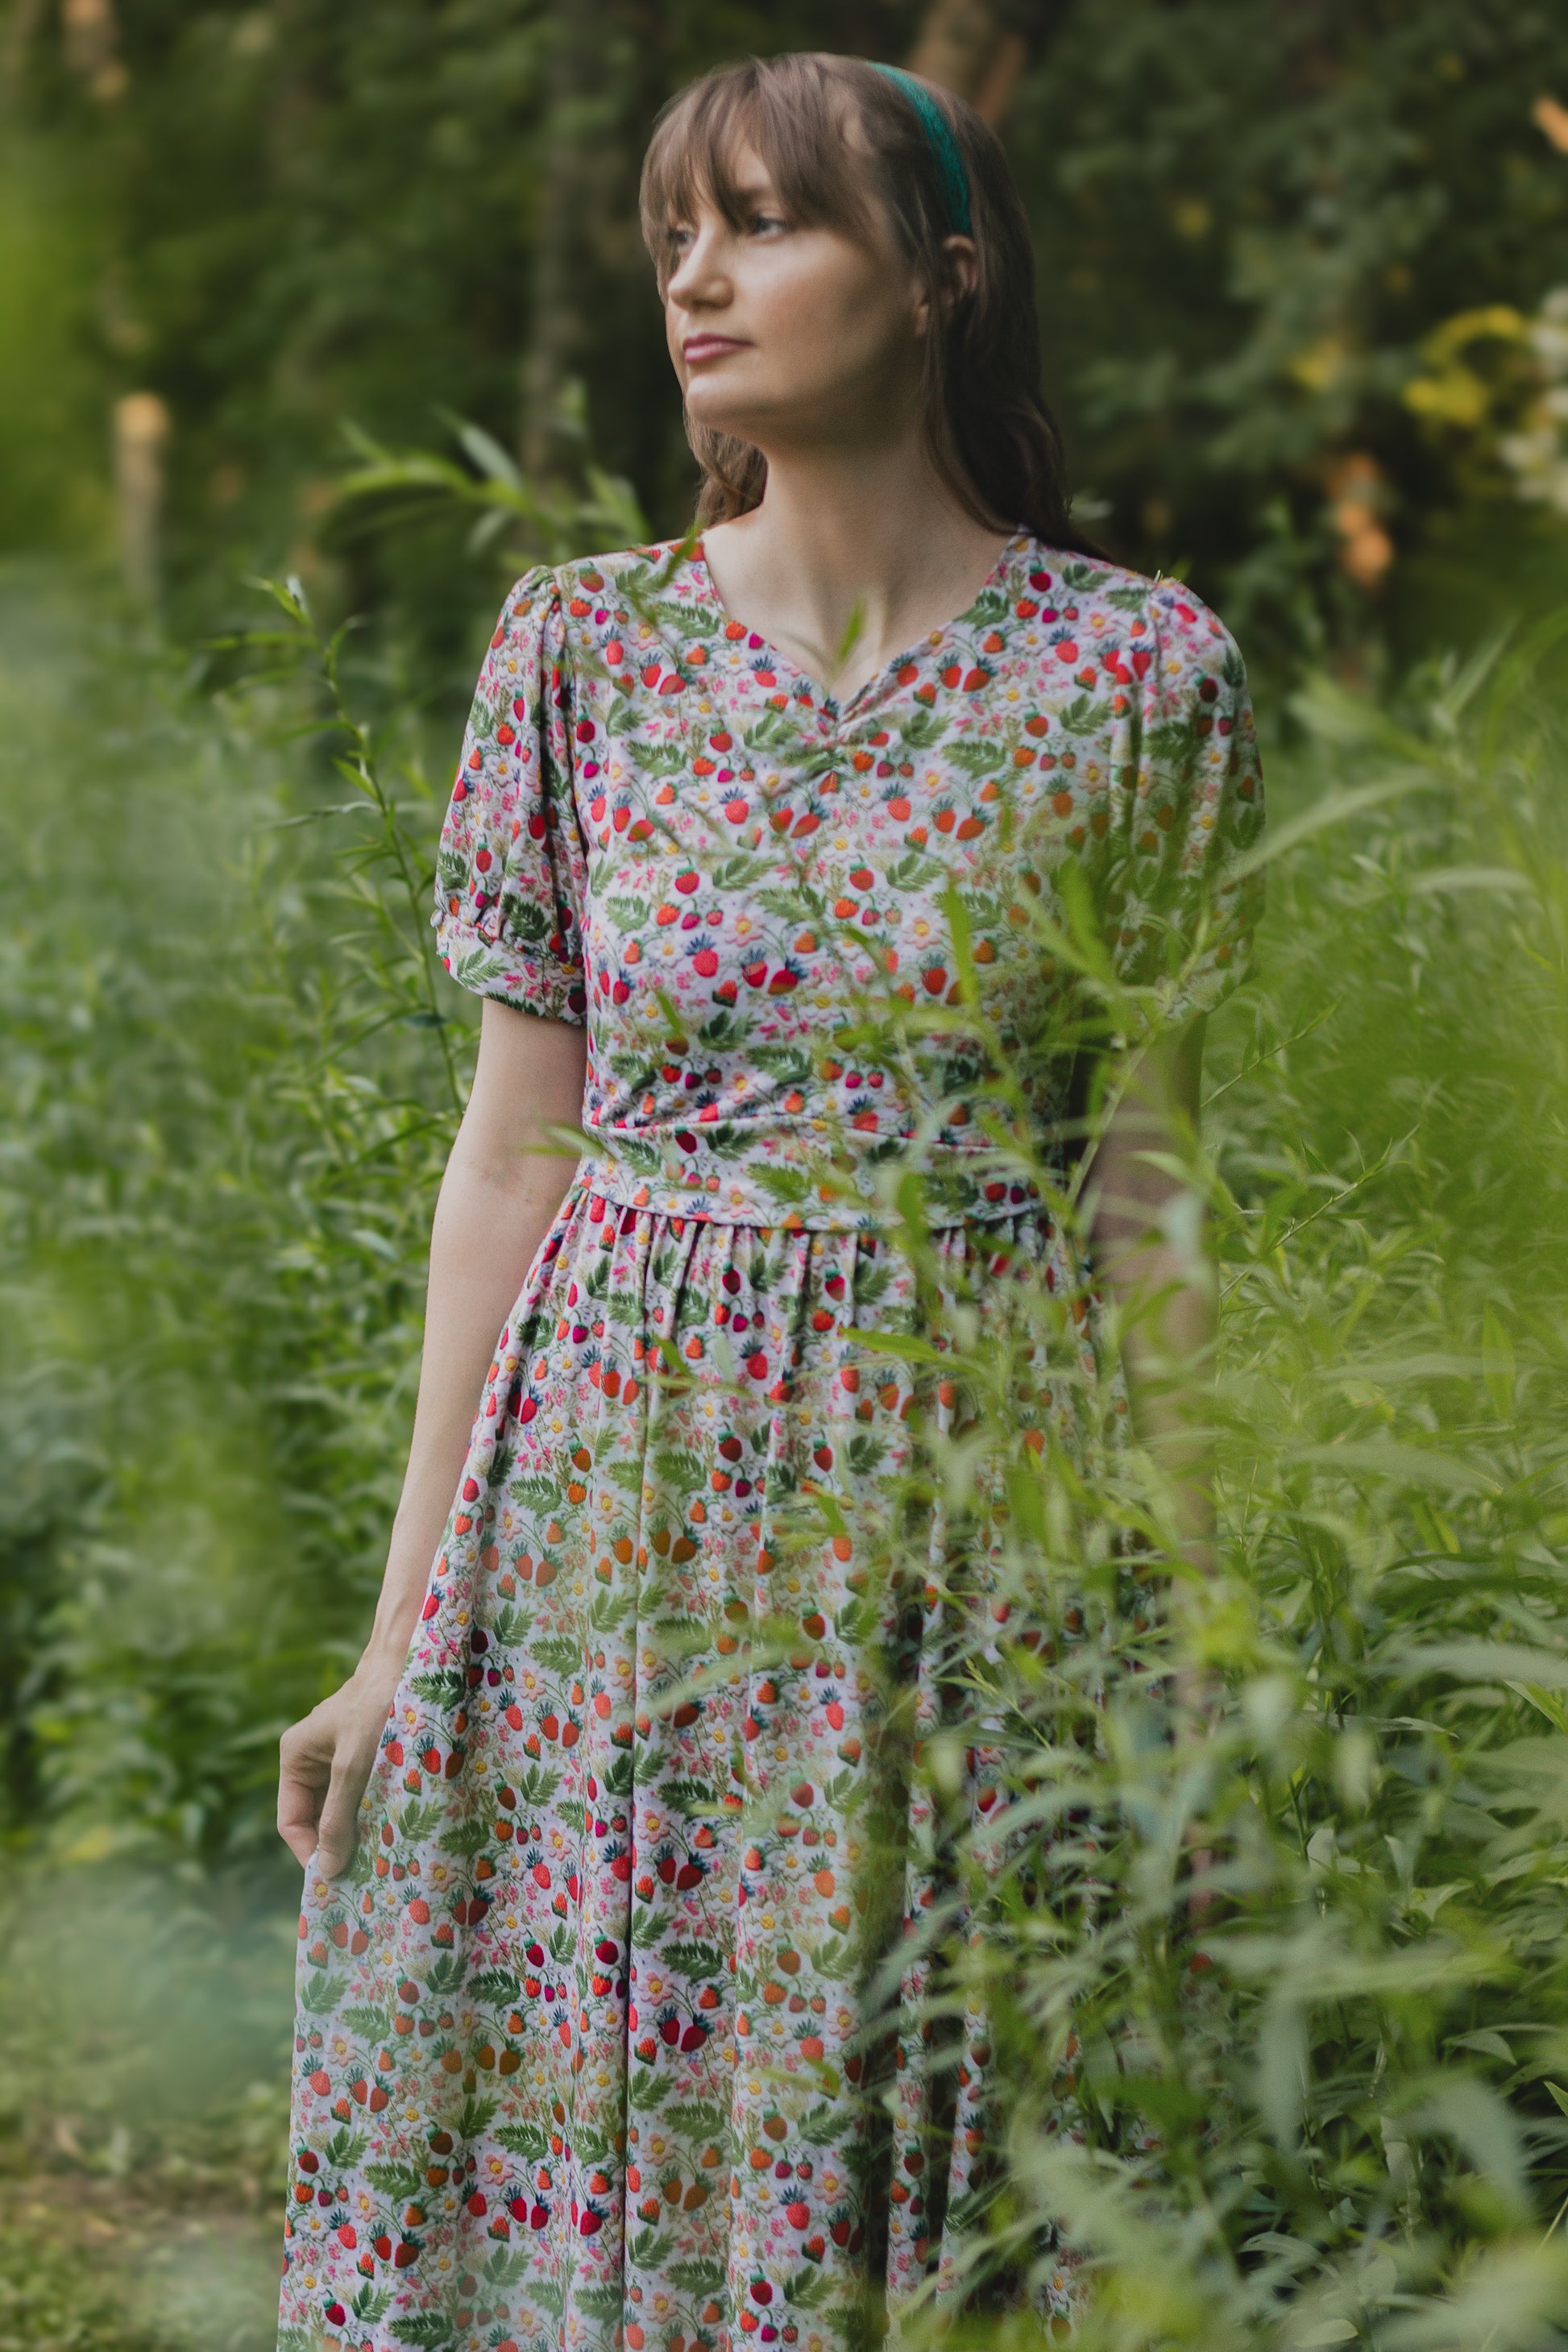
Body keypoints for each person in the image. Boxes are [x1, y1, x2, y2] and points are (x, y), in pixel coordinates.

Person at [275, 49, 1263, 2352]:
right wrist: (397, 1629)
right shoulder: (580, 649)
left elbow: (1143, 1193)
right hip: (608, 1480)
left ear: (941, 276)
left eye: (760, 221)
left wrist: (1202, 1655)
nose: (696, 278)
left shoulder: (1139, 675)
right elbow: (509, 1153)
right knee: (585, 2076)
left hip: (965, 1492)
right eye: (669, 237)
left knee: (933, 2091)